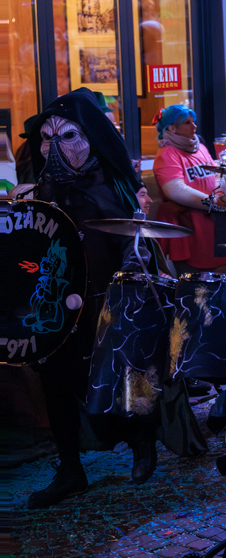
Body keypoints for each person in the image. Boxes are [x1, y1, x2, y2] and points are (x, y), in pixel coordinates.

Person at [21, 89, 157, 507]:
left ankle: (141, 439)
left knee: (114, 379)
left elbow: (135, 249)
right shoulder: (38, 189)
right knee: (57, 383)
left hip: (104, 302)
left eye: (67, 136)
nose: (54, 148)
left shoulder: (113, 187)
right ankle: (70, 469)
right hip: (53, 306)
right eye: (47, 138)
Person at [152, 105, 226, 276]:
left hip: (211, 223)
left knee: (223, 273)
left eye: (193, 122)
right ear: (172, 128)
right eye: (187, 123)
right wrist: (210, 202)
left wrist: (219, 194)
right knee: (195, 283)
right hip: (189, 227)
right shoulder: (167, 154)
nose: (194, 127)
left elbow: (216, 175)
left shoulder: (200, 147)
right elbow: (175, 190)